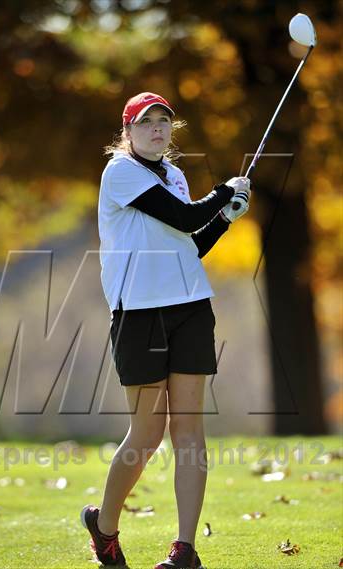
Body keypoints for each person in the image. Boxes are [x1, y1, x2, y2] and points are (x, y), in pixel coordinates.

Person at [81, 92, 251, 569]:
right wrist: (223, 191)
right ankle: (105, 527)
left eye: (164, 122)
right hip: (138, 314)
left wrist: (225, 218)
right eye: (146, 122)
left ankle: (185, 549)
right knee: (146, 435)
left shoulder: (174, 174)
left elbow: (188, 243)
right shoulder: (120, 172)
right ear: (128, 131)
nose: (157, 129)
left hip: (191, 308)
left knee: (190, 431)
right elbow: (182, 215)